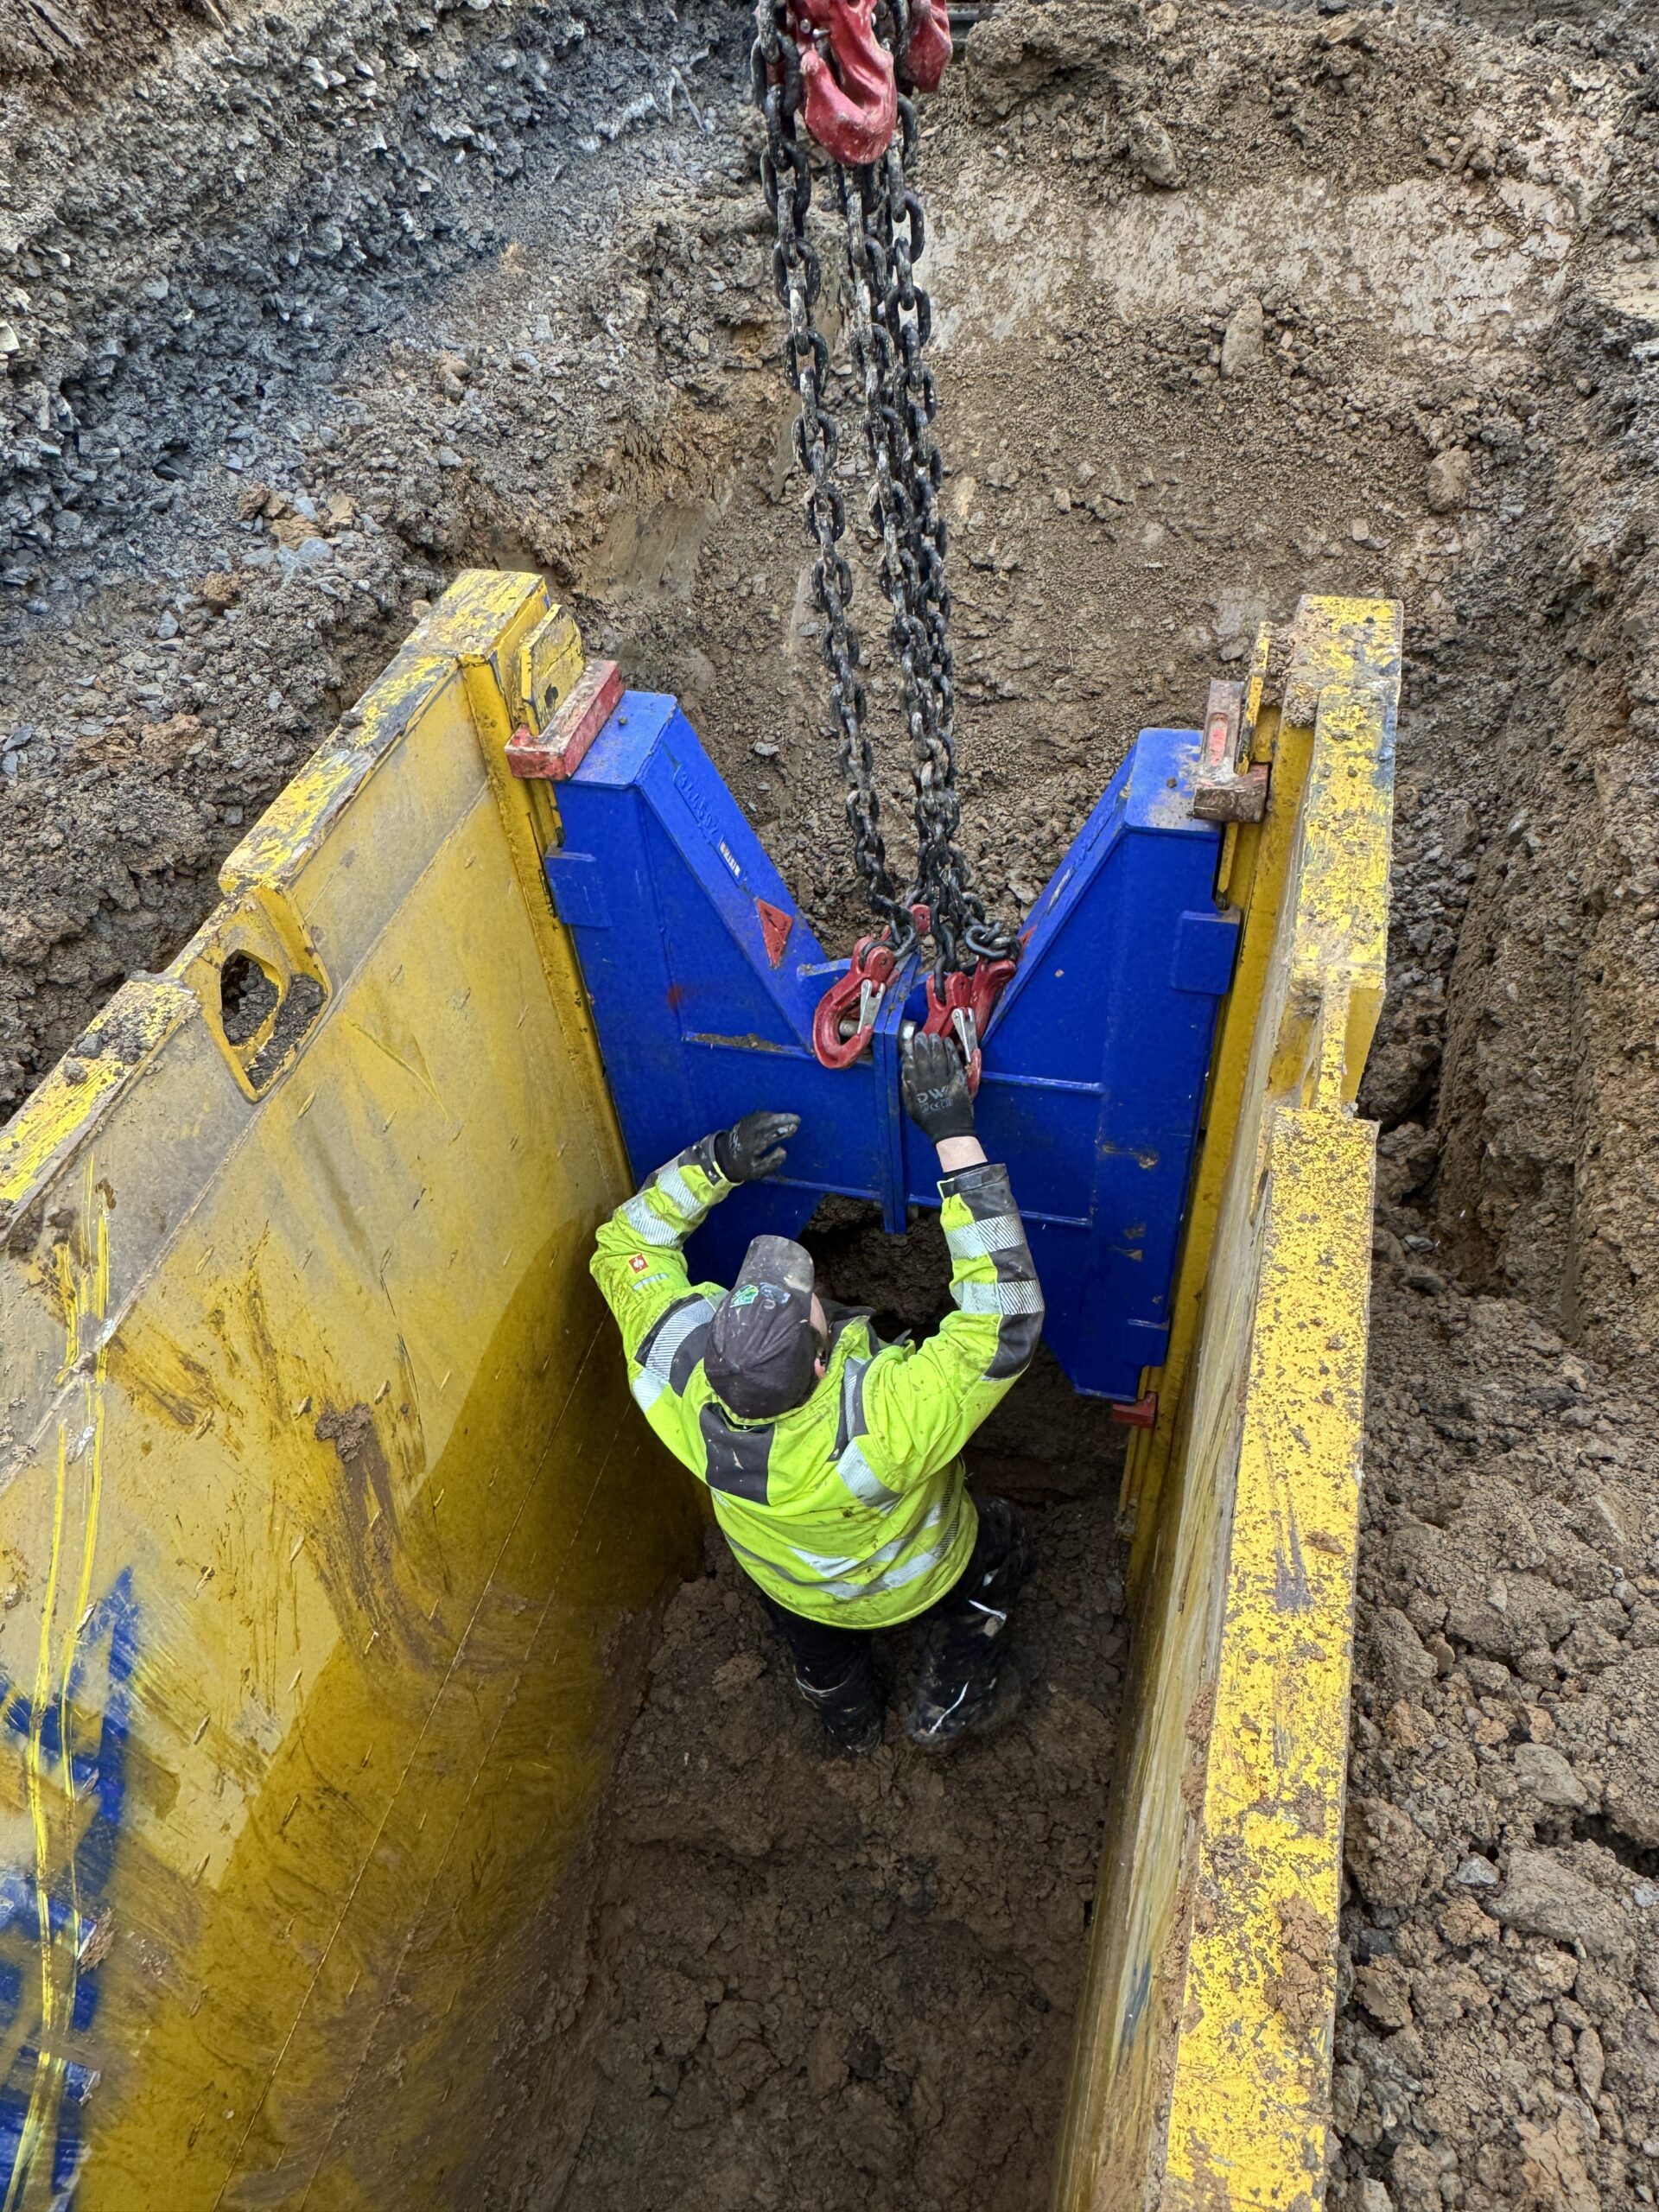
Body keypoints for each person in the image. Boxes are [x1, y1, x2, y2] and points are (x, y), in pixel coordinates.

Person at [590, 1032, 1043, 1754]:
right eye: (809, 1304)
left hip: (795, 1588)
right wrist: (956, 1137)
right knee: (1004, 1546)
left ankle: (848, 1725)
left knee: (820, 1657)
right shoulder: (885, 1418)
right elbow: (1004, 1319)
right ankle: (954, 1699)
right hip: (923, 1573)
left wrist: (713, 1164)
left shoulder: (673, 1370)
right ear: (821, 1363)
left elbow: (624, 1246)